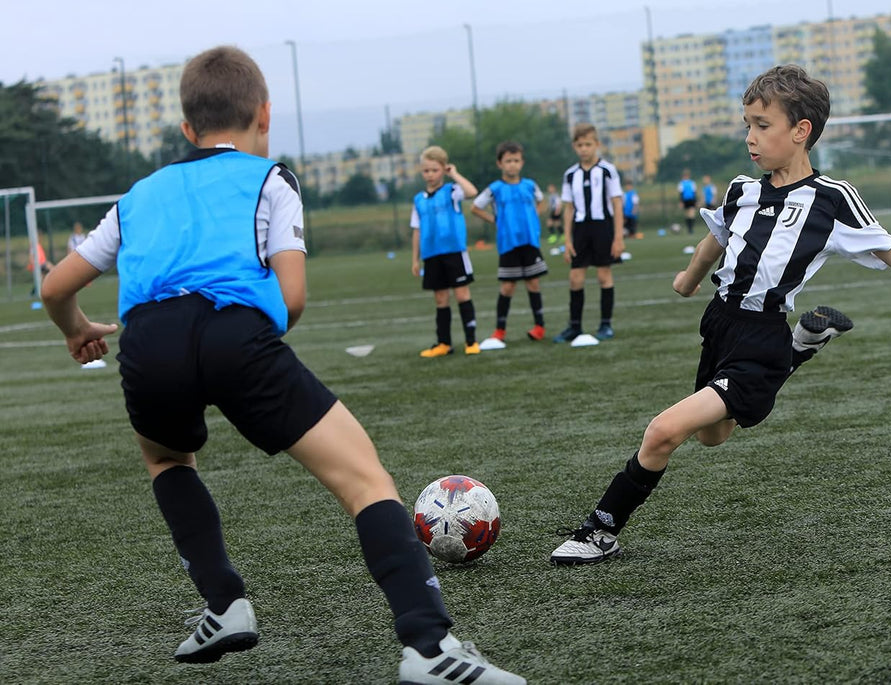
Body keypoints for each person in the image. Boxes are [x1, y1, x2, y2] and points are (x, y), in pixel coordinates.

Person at [38, 46, 524, 684]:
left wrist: (78, 331)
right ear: (265, 114)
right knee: (362, 477)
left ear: (187, 129)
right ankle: (429, 648)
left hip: (148, 342)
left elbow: (55, 288)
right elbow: (292, 297)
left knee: (165, 458)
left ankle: (224, 603)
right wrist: (245, 346)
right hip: (237, 337)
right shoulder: (271, 178)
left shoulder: (138, 195)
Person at [550, 63, 891, 566]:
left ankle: (599, 530)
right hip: (718, 325)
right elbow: (715, 238)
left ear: (801, 131)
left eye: (762, 125)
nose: (750, 138)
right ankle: (799, 351)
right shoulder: (742, 190)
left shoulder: (832, 200)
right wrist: (688, 279)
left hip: (760, 338)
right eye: (747, 124)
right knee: (711, 437)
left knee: (662, 432)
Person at [471, 141, 548, 343]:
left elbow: (542, 201)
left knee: (533, 283)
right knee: (508, 287)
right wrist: (495, 220)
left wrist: (533, 217)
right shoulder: (495, 189)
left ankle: (540, 327)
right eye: (508, 161)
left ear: (522, 163)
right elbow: (475, 207)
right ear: (500, 164)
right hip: (508, 243)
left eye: (516, 160)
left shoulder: (530, 185)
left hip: (530, 241)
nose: (512, 165)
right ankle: (500, 331)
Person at [554, 123, 624, 343]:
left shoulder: (607, 170)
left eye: (588, 144)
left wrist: (618, 237)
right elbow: (568, 208)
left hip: (603, 227)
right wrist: (567, 239)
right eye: (580, 145)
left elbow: (617, 203)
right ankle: (574, 326)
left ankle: (606, 324)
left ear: (596, 145)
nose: (584, 149)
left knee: (604, 275)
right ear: (574, 147)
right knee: (575, 278)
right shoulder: (570, 174)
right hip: (580, 229)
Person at [411, 145, 481, 358]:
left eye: (435, 170)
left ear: (443, 169)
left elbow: (472, 192)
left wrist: (455, 174)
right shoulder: (419, 199)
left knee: (461, 294)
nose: (430, 175)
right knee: (440, 299)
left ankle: (471, 340)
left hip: (454, 252)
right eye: (426, 170)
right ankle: (444, 343)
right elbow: (416, 229)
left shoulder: (452, 191)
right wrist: (415, 259)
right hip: (431, 255)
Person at [677, 169, 697, 234]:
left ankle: (691, 229)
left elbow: (694, 192)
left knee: (691, 214)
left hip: (691, 200)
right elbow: (681, 193)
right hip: (685, 200)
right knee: (687, 215)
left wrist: (695, 201)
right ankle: (689, 229)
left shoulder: (691, 183)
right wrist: (681, 202)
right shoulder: (682, 183)